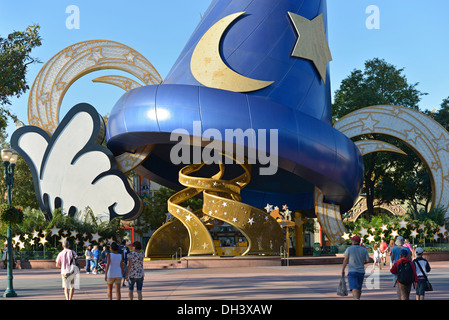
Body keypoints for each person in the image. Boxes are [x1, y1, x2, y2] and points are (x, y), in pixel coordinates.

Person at [341, 235, 370, 300]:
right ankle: (358, 298)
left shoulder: (349, 249)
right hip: (361, 271)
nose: (351, 241)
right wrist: (362, 262)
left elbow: (345, 259)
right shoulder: (364, 250)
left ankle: (356, 299)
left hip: (352, 271)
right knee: (359, 288)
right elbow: (368, 260)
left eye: (352, 240)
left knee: (354, 288)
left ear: (354, 241)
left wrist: (343, 269)